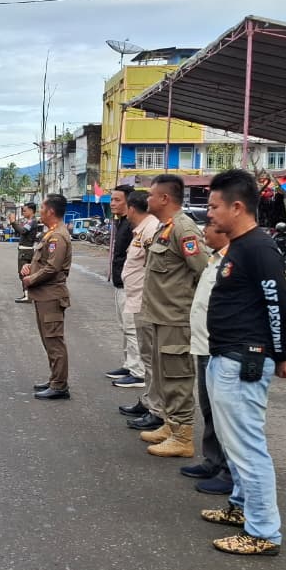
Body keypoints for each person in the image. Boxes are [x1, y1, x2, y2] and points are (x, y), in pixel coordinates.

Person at [200, 169, 286, 557]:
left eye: (214, 206)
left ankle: (263, 532)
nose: (209, 214)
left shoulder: (258, 248)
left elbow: (281, 304)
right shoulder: (239, 245)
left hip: (243, 361)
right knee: (233, 441)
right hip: (225, 356)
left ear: (237, 207)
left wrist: (281, 354)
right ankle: (241, 507)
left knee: (247, 446)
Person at [135, 174, 208, 458]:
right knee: (164, 377)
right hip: (159, 316)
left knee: (178, 377)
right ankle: (171, 424)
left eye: (151, 195)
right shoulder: (165, 227)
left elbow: (204, 270)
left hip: (176, 319)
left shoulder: (184, 228)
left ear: (165, 198)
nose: (147, 199)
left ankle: (183, 436)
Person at [182, 223, 234, 496]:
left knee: (224, 414)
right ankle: (212, 460)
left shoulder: (234, 261)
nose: (203, 233)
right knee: (208, 408)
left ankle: (229, 472)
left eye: (211, 227)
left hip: (219, 347)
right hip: (203, 344)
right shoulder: (214, 259)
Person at [117, 192, 164, 431]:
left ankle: (156, 409)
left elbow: (152, 269)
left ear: (132, 208)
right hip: (136, 300)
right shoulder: (141, 230)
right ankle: (148, 402)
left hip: (145, 302)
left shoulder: (150, 230)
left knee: (151, 359)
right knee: (147, 359)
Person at [23, 194, 73, 400]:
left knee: (54, 341)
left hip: (51, 295)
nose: (40, 212)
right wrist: (30, 267)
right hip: (44, 296)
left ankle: (60, 385)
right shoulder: (50, 234)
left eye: (42, 208)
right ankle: (55, 379)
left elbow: (53, 267)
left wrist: (31, 279)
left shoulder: (58, 236)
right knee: (48, 340)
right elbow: (44, 262)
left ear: (50, 211)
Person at [105, 185, 143, 386]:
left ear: (129, 203)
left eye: (117, 200)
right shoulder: (120, 223)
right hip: (120, 283)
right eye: (111, 200)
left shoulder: (132, 225)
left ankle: (138, 372)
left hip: (132, 285)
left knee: (132, 328)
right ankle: (129, 365)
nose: (112, 203)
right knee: (124, 327)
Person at [8, 202, 40, 304]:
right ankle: (30, 294)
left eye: (24, 210)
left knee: (23, 273)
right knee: (27, 272)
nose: (23, 212)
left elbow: (22, 231)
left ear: (31, 211)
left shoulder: (31, 222)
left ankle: (27, 296)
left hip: (26, 251)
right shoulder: (30, 221)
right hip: (26, 250)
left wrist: (13, 222)